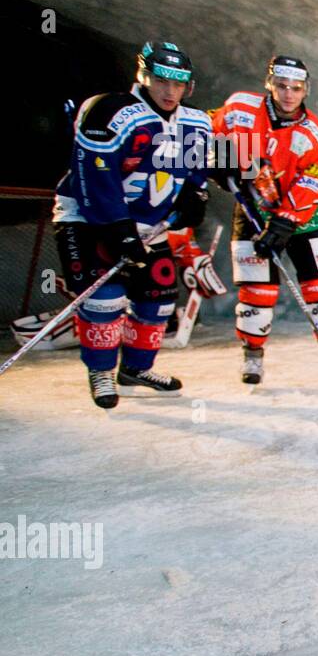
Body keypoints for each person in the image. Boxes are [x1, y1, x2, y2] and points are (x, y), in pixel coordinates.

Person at [52, 40, 211, 407]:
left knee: (158, 297)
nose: (170, 91)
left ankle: (135, 368)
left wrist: (195, 193)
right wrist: (117, 229)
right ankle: (102, 371)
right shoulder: (110, 110)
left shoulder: (195, 121)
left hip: (147, 226)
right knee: (105, 299)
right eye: (162, 81)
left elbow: (202, 164)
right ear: (144, 76)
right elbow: (94, 176)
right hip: (90, 218)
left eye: (179, 83)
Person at [211, 55, 318, 386]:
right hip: (252, 210)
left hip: (302, 217)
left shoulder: (317, 137)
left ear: (306, 90)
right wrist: (219, 163)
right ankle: (252, 355)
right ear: (269, 84)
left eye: (296, 88)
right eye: (281, 86)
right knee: (257, 291)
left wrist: (284, 223)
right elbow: (210, 131)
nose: (289, 94)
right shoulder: (241, 110)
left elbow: (312, 184)